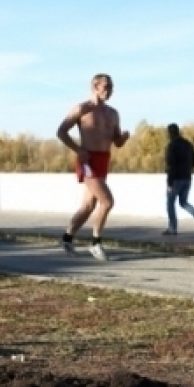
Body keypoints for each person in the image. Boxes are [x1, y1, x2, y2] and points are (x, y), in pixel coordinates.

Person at [56, 73, 130, 260]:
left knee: (88, 205)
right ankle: (95, 243)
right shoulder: (82, 109)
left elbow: (117, 141)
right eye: (106, 87)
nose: (109, 90)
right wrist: (78, 150)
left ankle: (67, 238)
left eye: (111, 87)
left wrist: (123, 139)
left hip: (104, 159)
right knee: (107, 202)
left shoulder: (113, 113)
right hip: (88, 159)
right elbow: (61, 132)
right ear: (95, 87)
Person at [163, 123, 194, 235]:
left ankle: (172, 228)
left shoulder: (172, 146)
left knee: (170, 203)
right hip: (187, 177)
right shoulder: (188, 144)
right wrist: (186, 168)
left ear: (170, 133)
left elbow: (170, 165)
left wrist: (169, 182)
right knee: (183, 202)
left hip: (176, 179)